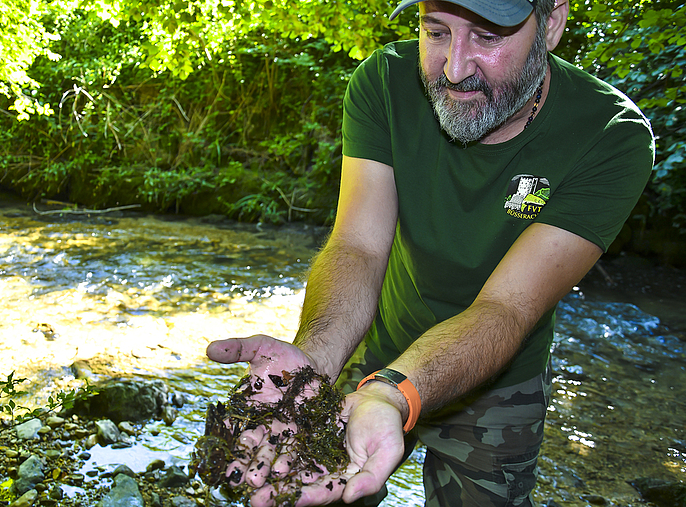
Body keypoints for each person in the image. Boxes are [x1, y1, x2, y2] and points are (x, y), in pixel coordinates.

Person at [206, 0, 655, 505]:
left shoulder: (611, 136)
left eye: (487, 37)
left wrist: (395, 394)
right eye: (436, 31)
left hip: (500, 388)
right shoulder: (386, 82)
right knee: (314, 487)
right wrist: (311, 368)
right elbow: (357, 248)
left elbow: (506, 307)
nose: (454, 68)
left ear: (550, 24)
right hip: (383, 347)